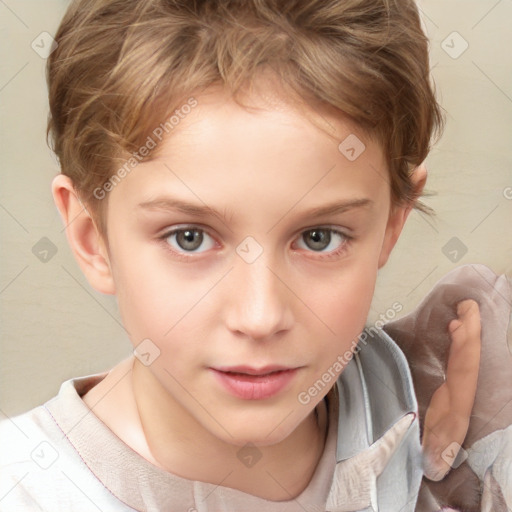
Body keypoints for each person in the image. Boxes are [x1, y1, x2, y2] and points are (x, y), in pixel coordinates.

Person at [0, 0, 478, 510]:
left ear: (391, 223)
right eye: (190, 238)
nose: (260, 317)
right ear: (91, 237)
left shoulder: (443, 388)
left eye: (319, 237)